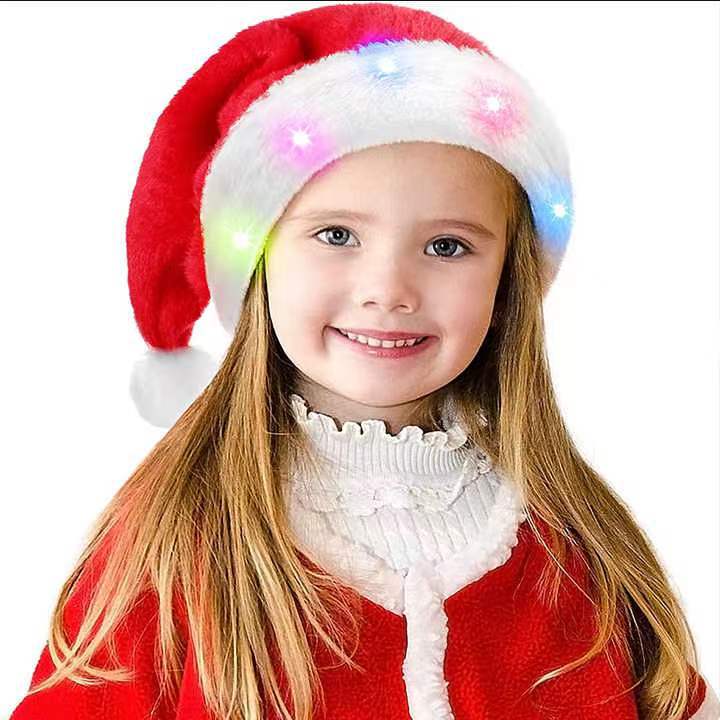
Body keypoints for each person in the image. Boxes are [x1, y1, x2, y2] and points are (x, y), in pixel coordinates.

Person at [8, 3, 719, 720]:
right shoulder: (170, 540)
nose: (388, 290)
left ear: (507, 283)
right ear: (260, 260)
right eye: (337, 234)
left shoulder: (579, 544)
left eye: (447, 246)